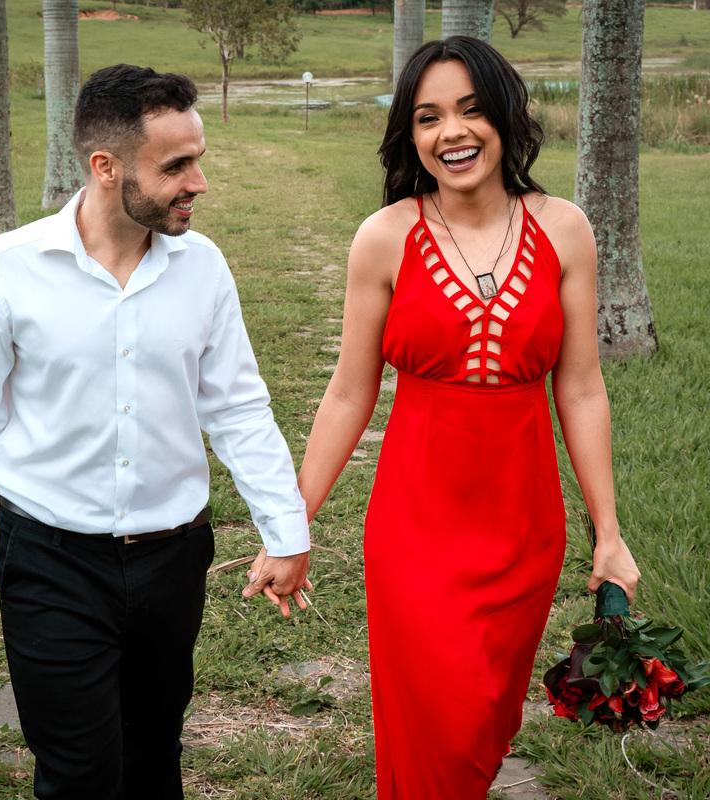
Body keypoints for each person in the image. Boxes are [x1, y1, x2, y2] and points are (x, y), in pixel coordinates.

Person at [0, 64, 311, 800]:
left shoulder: (204, 268)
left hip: (174, 559)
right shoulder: (10, 267)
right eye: (175, 166)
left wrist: (285, 531)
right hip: (50, 559)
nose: (198, 184)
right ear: (105, 166)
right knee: (78, 775)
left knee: (153, 757)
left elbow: (238, 410)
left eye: (198, 160)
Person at [274, 37, 643, 796]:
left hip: (524, 530)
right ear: (410, 135)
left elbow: (580, 389)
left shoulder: (565, 228)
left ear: (505, 116)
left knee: (482, 725)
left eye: (471, 110)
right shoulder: (385, 237)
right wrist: (292, 525)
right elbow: (348, 393)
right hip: (413, 529)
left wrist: (609, 534)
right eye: (428, 116)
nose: (453, 132)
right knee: (436, 727)